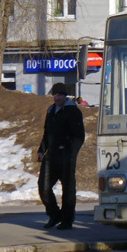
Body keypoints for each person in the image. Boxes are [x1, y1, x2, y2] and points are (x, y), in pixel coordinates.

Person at [37, 83, 86, 230]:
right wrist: (41, 150)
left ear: (65, 96)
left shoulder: (73, 111)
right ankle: (54, 214)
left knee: (68, 190)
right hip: (51, 156)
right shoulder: (51, 110)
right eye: (55, 95)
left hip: (66, 156)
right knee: (43, 187)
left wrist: (71, 153)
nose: (57, 98)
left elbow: (79, 136)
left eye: (60, 95)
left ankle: (67, 219)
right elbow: (47, 133)